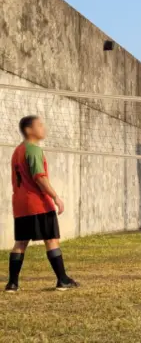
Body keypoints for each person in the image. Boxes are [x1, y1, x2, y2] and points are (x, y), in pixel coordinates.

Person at [5, 116, 79, 292]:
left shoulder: (17, 151)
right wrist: (55, 197)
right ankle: (62, 280)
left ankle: (12, 284)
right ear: (29, 130)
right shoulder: (33, 150)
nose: (43, 128)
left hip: (21, 205)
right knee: (52, 240)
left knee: (20, 242)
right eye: (39, 125)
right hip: (38, 203)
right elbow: (40, 177)